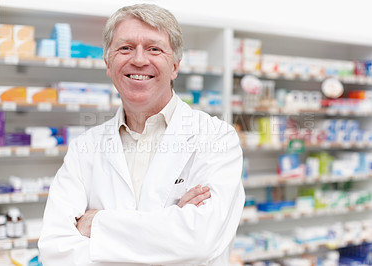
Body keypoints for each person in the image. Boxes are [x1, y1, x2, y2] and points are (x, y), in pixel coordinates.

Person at [38, 4, 245, 266]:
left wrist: (96, 223)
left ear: (175, 66)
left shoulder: (217, 138)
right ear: (108, 63)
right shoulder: (84, 147)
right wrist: (170, 227)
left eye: (154, 48)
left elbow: (199, 242)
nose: (138, 59)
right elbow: (54, 250)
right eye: (125, 48)